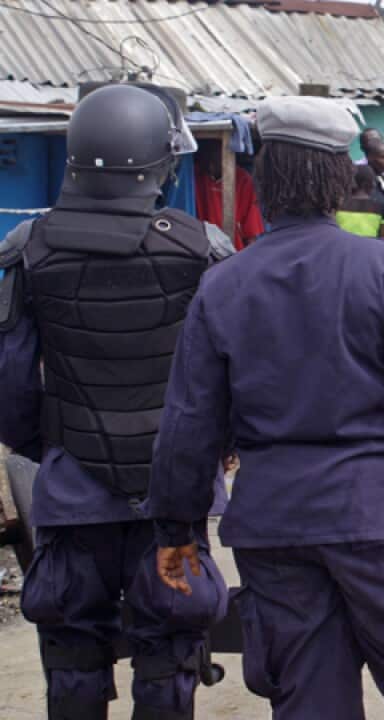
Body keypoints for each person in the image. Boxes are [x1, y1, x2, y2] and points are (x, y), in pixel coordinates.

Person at [147, 96, 384, 720]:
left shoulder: (224, 284)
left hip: (275, 529)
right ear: (337, 179)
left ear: (265, 179)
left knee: (309, 702)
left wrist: (177, 527)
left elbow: (190, 423)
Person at [0, 83, 228, 720]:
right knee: (169, 653)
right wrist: (215, 455)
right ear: (161, 162)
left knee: (73, 656)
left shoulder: (29, 250)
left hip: (73, 493)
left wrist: (47, 449)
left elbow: (12, 382)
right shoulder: (202, 247)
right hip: (173, 496)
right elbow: (227, 377)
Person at [195, 138, 265, 250]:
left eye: (215, 153)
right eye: (206, 153)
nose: (210, 160)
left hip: (233, 250)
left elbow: (251, 234)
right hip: (201, 249)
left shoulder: (243, 179)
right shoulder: (193, 177)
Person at [336, 164, 384, 239]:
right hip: (370, 249)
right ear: (371, 184)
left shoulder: (338, 206)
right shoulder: (380, 208)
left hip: (344, 248)